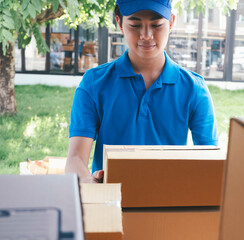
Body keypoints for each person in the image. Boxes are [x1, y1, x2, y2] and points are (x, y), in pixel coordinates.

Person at [65, 0, 218, 183]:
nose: (146, 35)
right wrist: (90, 183)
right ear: (120, 23)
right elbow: (75, 159)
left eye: (156, 25)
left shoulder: (194, 89)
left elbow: (211, 163)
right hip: (109, 200)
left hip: (169, 201)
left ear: (171, 22)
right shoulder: (94, 84)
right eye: (135, 25)